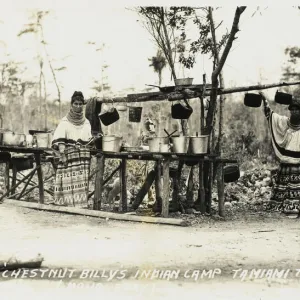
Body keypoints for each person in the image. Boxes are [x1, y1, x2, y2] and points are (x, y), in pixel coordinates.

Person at [260, 91, 300, 217]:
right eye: (292, 110)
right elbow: (270, 115)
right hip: (287, 163)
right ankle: (284, 205)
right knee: (284, 186)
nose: (294, 112)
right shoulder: (285, 123)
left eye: (297, 110)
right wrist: (264, 99)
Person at [51, 91, 94, 208]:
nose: (78, 106)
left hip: (83, 157)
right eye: (76, 104)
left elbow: (88, 139)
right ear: (71, 105)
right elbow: (60, 140)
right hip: (69, 156)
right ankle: (66, 204)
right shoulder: (65, 122)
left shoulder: (86, 122)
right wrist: (63, 156)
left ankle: (80, 204)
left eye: (81, 104)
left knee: (80, 181)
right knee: (67, 182)